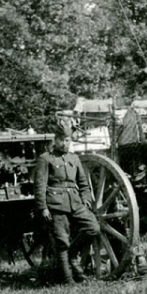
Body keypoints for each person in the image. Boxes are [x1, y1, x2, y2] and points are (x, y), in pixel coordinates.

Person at [34, 119, 100, 284]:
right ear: (55, 140)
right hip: (56, 205)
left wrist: (85, 199)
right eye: (62, 140)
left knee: (93, 228)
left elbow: (84, 184)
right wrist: (43, 208)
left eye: (68, 140)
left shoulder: (74, 158)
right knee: (62, 242)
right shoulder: (46, 159)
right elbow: (40, 185)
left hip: (76, 203)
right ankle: (68, 280)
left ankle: (71, 255)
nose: (65, 144)